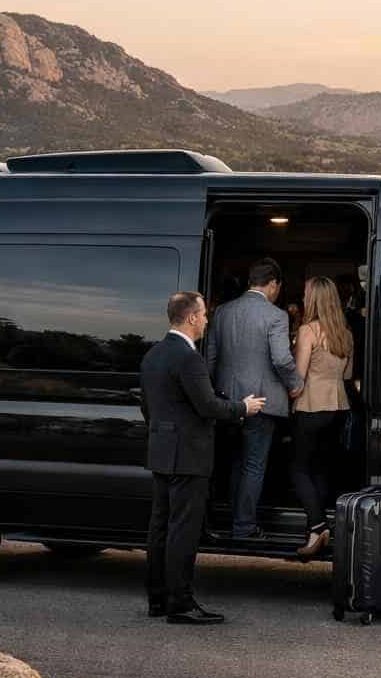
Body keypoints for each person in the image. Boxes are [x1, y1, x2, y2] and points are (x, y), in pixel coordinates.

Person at [141, 291, 265, 625]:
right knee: (183, 530)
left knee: (160, 528)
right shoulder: (188, 358)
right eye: (204, 315)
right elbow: (207, 406)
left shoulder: (153, 354)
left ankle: (158, 598)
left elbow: (148, 408)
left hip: (162, 451)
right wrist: (244, 408)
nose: (208, 320)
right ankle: (180, 603)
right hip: (188, 455)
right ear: (192, 317)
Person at [206, 257, 304, 539]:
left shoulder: (222, 312)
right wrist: (295, 384)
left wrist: (211, 394)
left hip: (226, 402)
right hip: (261, 404)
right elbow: (283, 360)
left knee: (237, 461)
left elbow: (210, 358)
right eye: (278, 287)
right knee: (253, 465)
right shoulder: (276, 315)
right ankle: (244, 526)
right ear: (272, 284)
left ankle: (234, 519)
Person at [290, 277, 354, 558]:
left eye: (305, 293)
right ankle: (314, 529)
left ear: (314, 298)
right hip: (339, 406)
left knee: (298, 468)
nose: (303, 297)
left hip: (311, 406)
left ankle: (318, 526)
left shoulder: (308, 331)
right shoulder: (345, 334)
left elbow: (298, 377)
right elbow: (348, 375)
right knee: (321, 469)